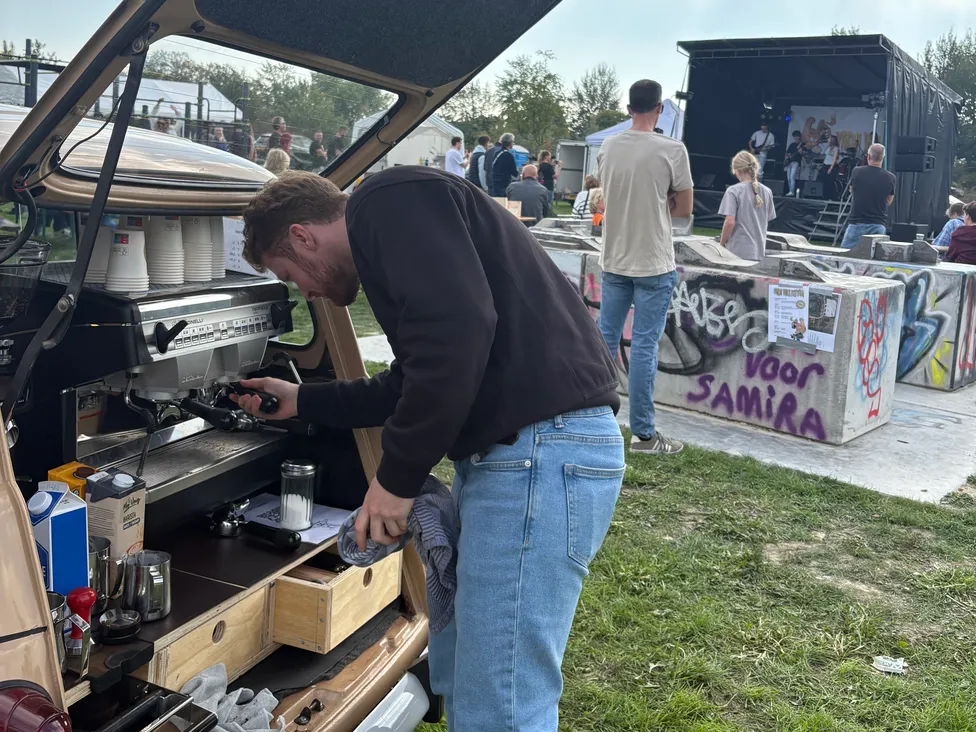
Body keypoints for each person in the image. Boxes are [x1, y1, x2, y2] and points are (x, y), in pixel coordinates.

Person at [234, 167, 622, 732]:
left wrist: (396, 480)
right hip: (524, 455)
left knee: (501, 705)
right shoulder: (396, 230)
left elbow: (455, 334)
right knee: (468, 679)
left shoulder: (386, 201)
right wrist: (303, 400)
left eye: (290, 275)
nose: (307, 292)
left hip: (540, 452)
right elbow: (417, 374)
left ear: (302, 236)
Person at [598, 79, 693, 455]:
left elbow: (609, 193)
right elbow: (684, 210)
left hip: (614, 256)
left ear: (628, 109)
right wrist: (661, 199)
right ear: (659, 109)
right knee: (643, 347)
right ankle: (643, 435)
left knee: (604, 341)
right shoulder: (672, 149)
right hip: (653, 260)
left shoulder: (608, 146)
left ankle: (593, 420)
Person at [719, 151, 776, 261]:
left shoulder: (733, 191)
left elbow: (730, 221)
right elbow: (767, 218)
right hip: (759, 251)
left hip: (736, 251)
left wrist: (721, 244)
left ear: (737, 170)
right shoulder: (767, 191)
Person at [840, 143, 896, 249]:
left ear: (868, 156)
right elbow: (889, 201)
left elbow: (852, 190)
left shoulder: (857, 171)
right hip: (878, 223)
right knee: (874, 256)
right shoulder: (891, 178)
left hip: (857, 221)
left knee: (846, 255)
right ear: (883, 158)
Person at [783, 131, 807, 197]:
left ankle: (792, 191)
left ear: (799, 137)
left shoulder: (802, 144)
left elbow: (804, 153)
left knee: (792, 176)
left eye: (797, 136)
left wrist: (801, 152)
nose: (796, 138)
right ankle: (790, 191)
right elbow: (787, 153)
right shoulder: (792, 145)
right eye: (795, 136)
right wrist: (788, 156)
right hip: (789, 162)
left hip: (796, 162)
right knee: (788, 178)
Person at [822, 135, 841, 200]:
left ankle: (831, 196)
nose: (828, 140)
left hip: (831, 165)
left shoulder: (836, 148)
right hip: (825, 164)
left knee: (830, 182)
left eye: (829, 139)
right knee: (825, 181)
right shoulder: (828, 147)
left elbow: (834, 159)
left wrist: (831, 168)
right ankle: (825, 196)